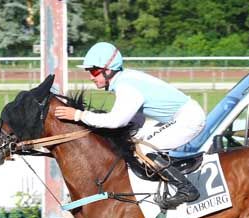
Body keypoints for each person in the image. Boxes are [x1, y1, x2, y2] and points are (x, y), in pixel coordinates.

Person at [54, 42, 206, 209]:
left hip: (187, 119)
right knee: (136, 141)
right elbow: (137, 118)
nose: (91, 76)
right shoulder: (125, 78)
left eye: (94, 71)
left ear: (108, 70)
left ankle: (186, 189)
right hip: (180, 116)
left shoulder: (126, 86)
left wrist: (78, 115)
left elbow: (116, 121)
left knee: (145, 149)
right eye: (89, 71)